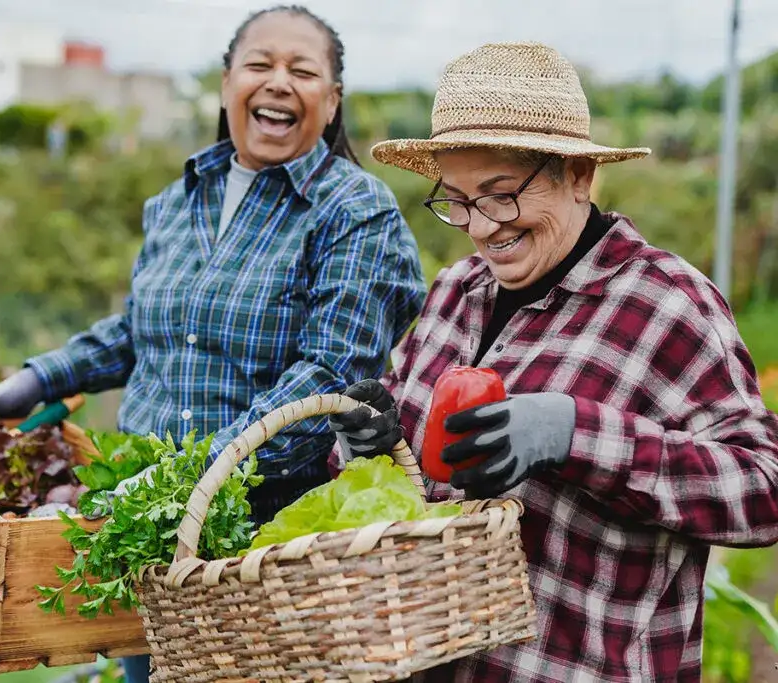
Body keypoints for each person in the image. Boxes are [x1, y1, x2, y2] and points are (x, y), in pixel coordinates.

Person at [0, 5, 426, 682]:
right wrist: (41, 377)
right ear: (227, 80)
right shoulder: (180, 198)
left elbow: (329, 375)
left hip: (255, 543)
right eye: (259, 64)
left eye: (303, 70)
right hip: (141, 532)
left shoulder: (355, 211)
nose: (278, 82)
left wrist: (191, 480)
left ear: (333, 99)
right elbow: (144, 328)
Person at [328, 41, 778, 682]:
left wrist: (576, 433)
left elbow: (762, 490)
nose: (481, 227)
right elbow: (412, 485)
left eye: (502, 193)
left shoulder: (664, 305)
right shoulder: (455, 292)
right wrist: (368, 448)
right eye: (456, 199)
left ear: (579, 176)